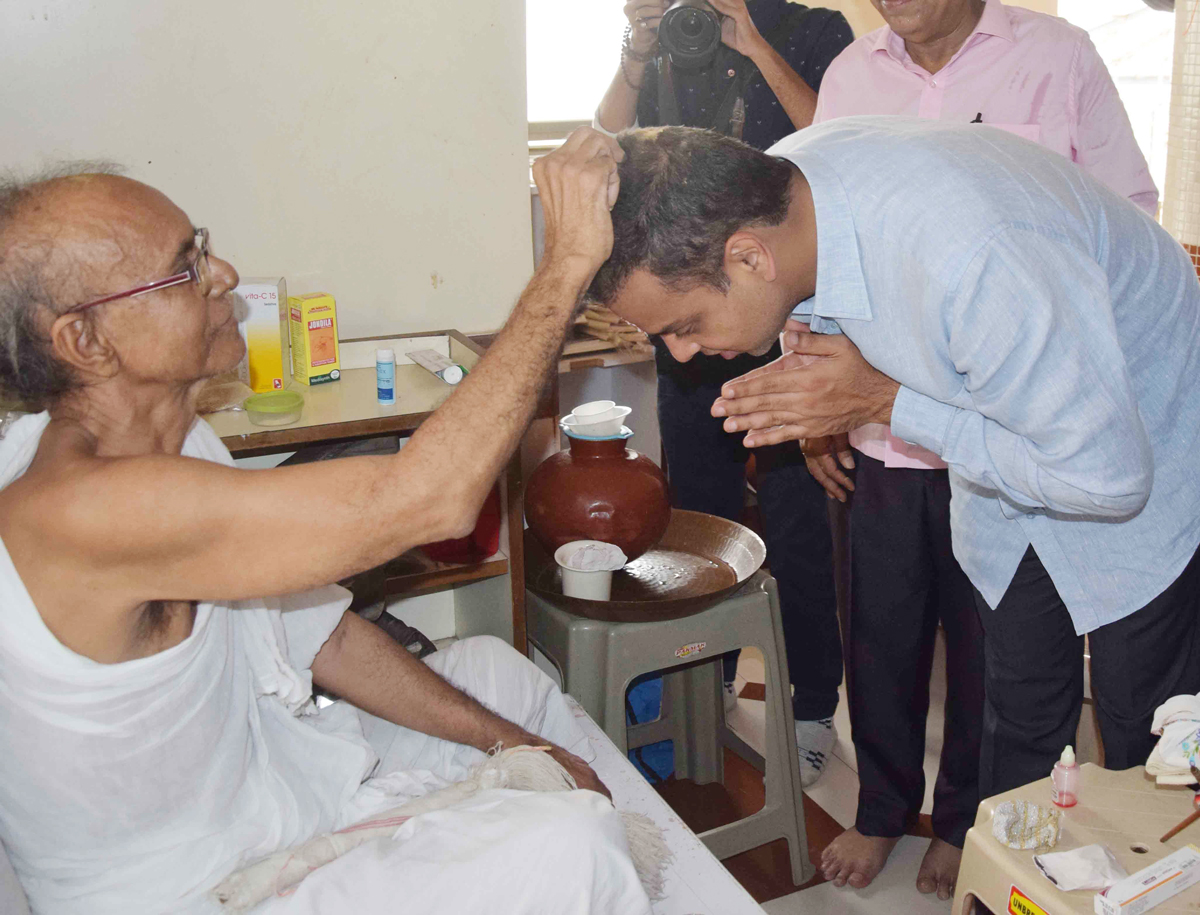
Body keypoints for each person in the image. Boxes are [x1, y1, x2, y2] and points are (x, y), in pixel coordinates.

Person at [0, 130, 651, 914]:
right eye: (185, 268)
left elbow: (324, 636)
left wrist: (516, 743)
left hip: (267, 787)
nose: (225, 275)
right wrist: (568, 261)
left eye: (201, 247)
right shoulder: (74, 508)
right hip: (189, 888)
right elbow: (432, 496)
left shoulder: (177, 439)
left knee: (499, 677)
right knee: (569, 846)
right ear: (85, 341)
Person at [588, 116, 1200, 895]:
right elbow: (818, 312)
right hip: (1009, 428)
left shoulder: (973, 254)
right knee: (1017, 710)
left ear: (748, 258)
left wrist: (882, 400)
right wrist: (820, 391)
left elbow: (1109, 480)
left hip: (1137, 432)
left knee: (1146, 737)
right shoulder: (781, 189)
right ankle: (1016, 885)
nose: (678, 354)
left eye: (683, 326)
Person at [799, 0, 1159, 898]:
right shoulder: (852, 75)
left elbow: (1127, 217)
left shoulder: (1059, 56)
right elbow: (810, 245)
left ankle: (967, 822)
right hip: (884, 427)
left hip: (1010, 438)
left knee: (994, 646)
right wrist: (812, 405)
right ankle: (883, 806)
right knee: (878, 634)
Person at [594, 0, 854, 786]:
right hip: (692, 322)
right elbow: (609, 149)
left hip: (784, 308)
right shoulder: (673, 39)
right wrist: (638, 52)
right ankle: (703, 680)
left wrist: (755, 41)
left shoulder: (816, 30)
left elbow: (839, 146)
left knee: (797, 522)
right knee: (698, 520)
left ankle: (811, 708)